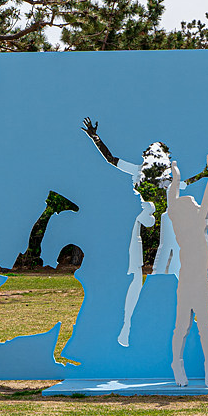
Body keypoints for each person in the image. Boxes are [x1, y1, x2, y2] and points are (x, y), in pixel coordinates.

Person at [81, 117, 182, 346]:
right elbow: (111, 160)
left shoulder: (169, 181)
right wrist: (96, 139)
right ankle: (127, 327)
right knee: (133, 281)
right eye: (151, 155)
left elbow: (185, 190)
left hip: (163, 233)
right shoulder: (138, 172)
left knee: (164, 276)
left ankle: (165, 325)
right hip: (138, 234)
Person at [166, 155, 208, 387]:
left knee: (203, 326)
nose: (200, 207)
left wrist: (176, 181)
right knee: (184, 327)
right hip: (188, 283)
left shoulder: (191, 224)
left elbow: (173, 202)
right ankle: (177, 364)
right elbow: (177, 204)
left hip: (201, 282)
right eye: (195, 206)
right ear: (188, 213)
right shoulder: (190, 226)